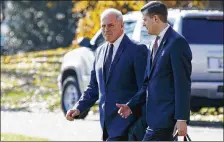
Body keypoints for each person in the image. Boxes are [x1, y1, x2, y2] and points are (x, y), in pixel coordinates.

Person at [66, 8, 148, 141]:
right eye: (103, 26)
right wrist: (78, 108)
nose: (106, 29)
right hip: (106, 127)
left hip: (130, 127)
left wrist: (131, 106)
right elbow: (93, 87)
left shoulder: (137, 50)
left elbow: (146, 87)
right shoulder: (99, 51)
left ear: (121, 26)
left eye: (110, 25)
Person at [116, 1, 192, 141]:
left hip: (166, 120)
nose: (143, 24)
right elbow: (148, 84)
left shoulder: (177, 43)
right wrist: (131, 105)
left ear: (155, 18)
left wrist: (182, 119)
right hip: (152, 119)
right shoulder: (152, 45)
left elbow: (183, 84)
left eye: (145, 20)